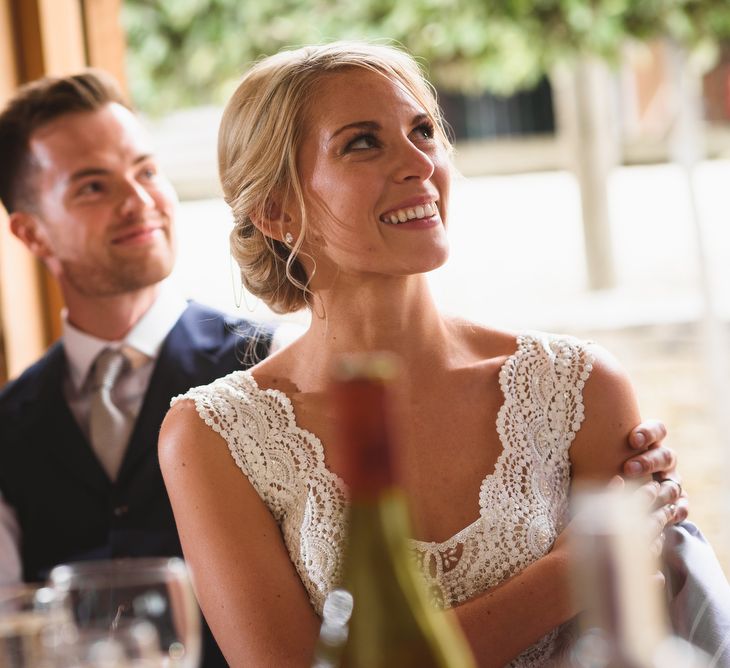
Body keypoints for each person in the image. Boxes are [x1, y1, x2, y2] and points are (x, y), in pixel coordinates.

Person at [158, 42, 692, 667]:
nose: (420, 163)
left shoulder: (578, 386)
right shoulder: (212, 437)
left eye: (424, 131)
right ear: (276, 210)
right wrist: (565, 576)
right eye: (362, 142)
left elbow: (630, 644)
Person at [0, 70, 270, 667]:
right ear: (32, 232)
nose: (139, 201)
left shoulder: (271, 363)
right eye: (93, 187)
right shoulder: (7, 425)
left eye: (146, 170)